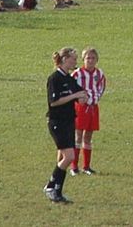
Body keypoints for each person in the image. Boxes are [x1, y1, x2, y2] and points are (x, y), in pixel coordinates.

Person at [45, 47, 88, 203]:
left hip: (69, 121)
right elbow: (54, 101)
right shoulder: (54, 78)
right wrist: (75, 95)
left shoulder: (70, 79)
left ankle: (57, 191)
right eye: (73, 58)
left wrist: (83, 96)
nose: (75, 62)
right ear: (64, 59)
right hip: (57, 122)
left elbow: (79, 95)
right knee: (70, 156)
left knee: (64, 157)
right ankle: (51, 186)